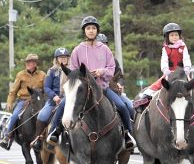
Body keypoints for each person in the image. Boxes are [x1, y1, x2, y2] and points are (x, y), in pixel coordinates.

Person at [46, 16, 135, 150]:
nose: (91, 31)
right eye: (88, 28)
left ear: (97, 31)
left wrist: (102, 71)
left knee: (122, 106)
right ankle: (55, 132)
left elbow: (111, 68)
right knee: (63, 105)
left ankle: (128, 134)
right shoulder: (77, 50)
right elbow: (73, 71)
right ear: (84, 31)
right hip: (82, 89)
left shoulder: (105, 50)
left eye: (94, 28)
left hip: (102, 88)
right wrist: (83, 75)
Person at [0, 54, 46, 150]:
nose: (28, 64)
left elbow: (46, 90)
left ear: (35, 63)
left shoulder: (42, 75)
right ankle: (7, 137)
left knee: (47, 115)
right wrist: (9, 102)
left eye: (30, 62)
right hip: (23, 100)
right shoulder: (20, 74)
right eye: (27, 62)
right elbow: (13, 91)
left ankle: (49, 137)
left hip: (38, 101)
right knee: (15, 115)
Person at [31, 48, 70, 151]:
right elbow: (46, 87)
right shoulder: (52, 71)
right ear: (56, 59)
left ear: (68, 58)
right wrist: (54, 96)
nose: (63, 59)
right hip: (54, 99)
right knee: (42, 116)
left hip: (69, 98)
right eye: (60, 57)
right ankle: (38, 140)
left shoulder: (73, 69)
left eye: (65, 57)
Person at [95, 33, 135, 120]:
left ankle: (129, 130)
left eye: (104, 44)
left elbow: (120, 76)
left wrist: (119, 84)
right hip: (96, 93)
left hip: (113, 90)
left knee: (129, 107)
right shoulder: (90, 61)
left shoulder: (113, 60)